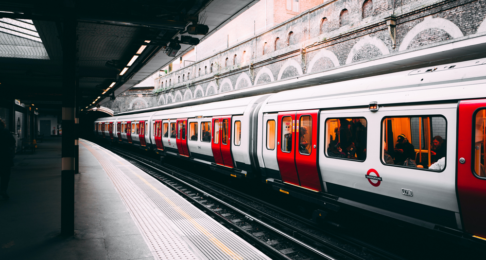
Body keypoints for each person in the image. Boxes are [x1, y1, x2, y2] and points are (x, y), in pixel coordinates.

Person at [0, 119, 15, 199]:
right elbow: (12, 142)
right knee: (5, 175)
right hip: (4, 157)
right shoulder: (5, 132)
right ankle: (3, 190)